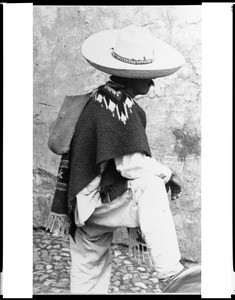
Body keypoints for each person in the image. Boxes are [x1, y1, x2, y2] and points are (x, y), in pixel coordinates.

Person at [47, 24, 189, 294]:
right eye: (147, 76)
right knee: (151, 184)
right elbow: (130, 165)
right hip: (100, 202)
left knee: (88, 270)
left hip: (80, 204)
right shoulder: (120, 106)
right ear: (131, 77)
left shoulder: (96, 99)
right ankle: (172, 273)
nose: (152, 82)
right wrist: (170, 175)